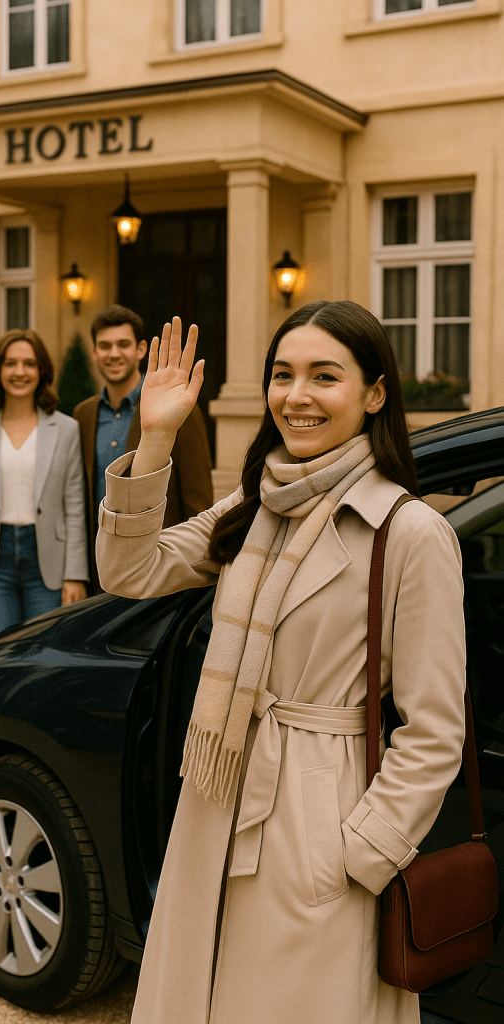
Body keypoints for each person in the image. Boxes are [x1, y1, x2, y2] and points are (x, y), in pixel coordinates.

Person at [96, 303, 466, 1024]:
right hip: (218, 792)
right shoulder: (256, 503)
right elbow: (129, 568)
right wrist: (157, 436)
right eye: (281, 375)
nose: (296, 396)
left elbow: (433, 730)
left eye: (323, 376)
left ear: (374, 393)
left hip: (319, 810)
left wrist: (359, 853)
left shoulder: (409, 531)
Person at [73, 303, 213, 590]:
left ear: (140, 350)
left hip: (157, 570)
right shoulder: (83, 415)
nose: (114, 354)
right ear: (94, 352)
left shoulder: (175, 410)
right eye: (105, 346)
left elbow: (197, 499)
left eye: (123, 344)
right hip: (99, 569)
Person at [0, 329, 89, 641]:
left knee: (42, 662)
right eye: (11, 363)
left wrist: (75, 574)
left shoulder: (66, 429)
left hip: (48, 562)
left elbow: (74, 507)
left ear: (42, 371)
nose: (20, 372)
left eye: (29, 364)